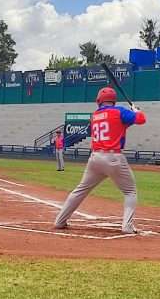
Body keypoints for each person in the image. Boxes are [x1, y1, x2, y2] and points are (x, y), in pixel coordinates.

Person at [54, 87, 146, 234]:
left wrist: (133, 113)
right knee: (130, 192)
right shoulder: (120, 111)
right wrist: (136, 111)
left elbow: (119, 125)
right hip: (114, 158)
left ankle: (60, 220)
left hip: (95, 159)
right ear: (113, 100)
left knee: (80, 190)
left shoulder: (95, 115)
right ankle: (127, 226)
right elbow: (141, 119)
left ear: (99, 100)